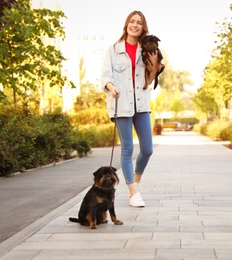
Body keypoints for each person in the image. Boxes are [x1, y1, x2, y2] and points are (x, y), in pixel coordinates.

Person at [101, 10, 161, 207]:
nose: (135, 25)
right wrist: (111, 87)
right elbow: (105, 77)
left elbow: (150, 81)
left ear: (143, 27)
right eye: (132, 21)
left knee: (148, 149)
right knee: (127, 149)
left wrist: (154, 64)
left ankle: (136, 180)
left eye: (139, 23)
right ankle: (133, 192)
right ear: (126, 24)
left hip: (142, 105)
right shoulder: (114, 49)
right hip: (121, 104)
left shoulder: (147, 49)